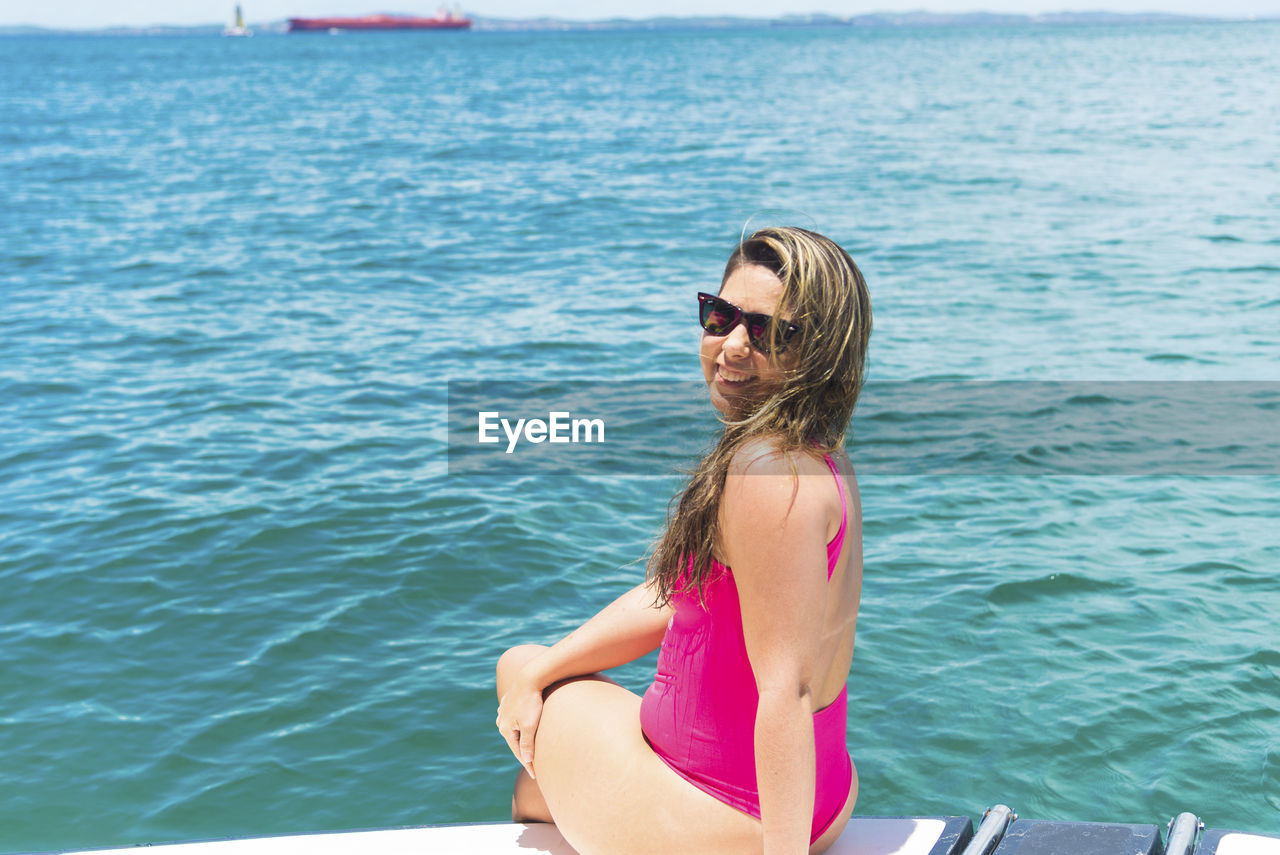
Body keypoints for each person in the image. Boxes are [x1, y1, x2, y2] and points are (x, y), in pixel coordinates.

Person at [495, 226, 872, 855]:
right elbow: (676, 596)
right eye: (720, 317)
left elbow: (788, 691)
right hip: (822, 796)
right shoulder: (814, 456)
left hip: (736, 815)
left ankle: (560, 805)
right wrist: (545, 670)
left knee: (515, 677)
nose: (732, 345)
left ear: (820, 351)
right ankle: (560, 797)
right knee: (532, 671)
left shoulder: (766, 474)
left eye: (768, 330)